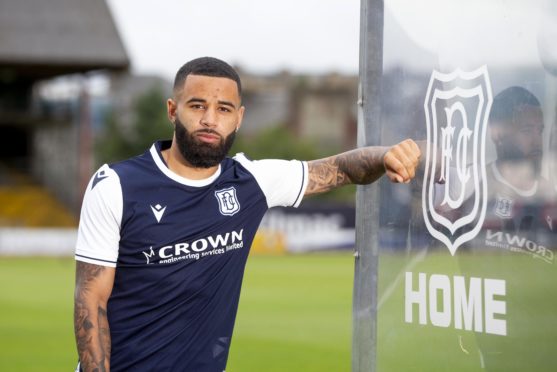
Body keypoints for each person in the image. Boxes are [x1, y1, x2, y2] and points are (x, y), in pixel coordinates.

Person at [73, 56, 421, 371]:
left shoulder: (251, 181)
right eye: (197, 106)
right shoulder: (116, 185)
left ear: (238, 118)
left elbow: (341, 168)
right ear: (172, 110)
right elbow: (91, 298)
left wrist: (386, 154)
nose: (210, 120)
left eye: (224, 109)